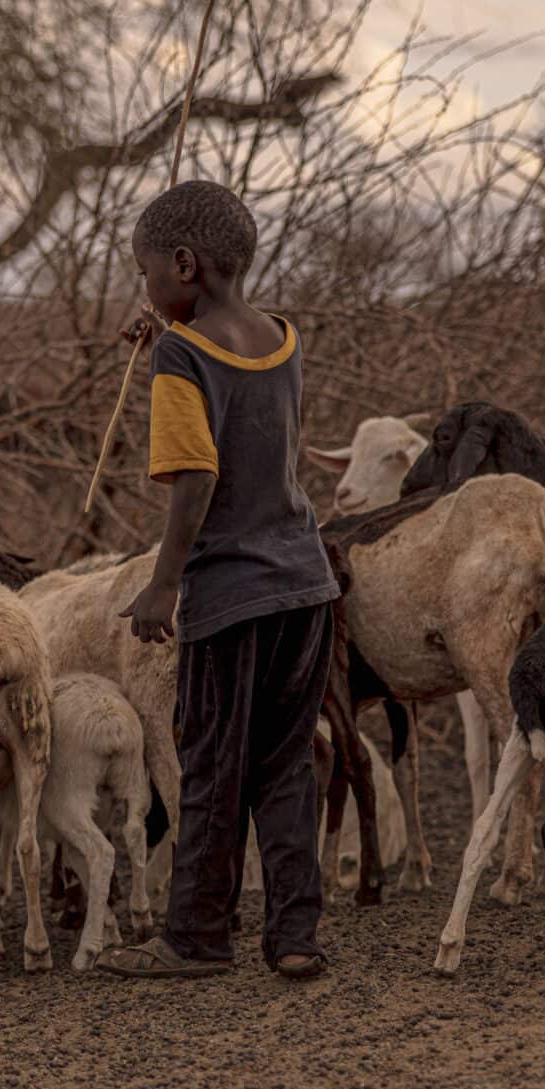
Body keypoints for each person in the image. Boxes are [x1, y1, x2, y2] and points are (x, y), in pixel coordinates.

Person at [96, 179, 339, 981]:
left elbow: (195, 475)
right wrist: (171, 319)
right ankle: (296, 937)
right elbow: (227, 367)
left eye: (145, 272)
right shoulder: (279, 335)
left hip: (229, 594)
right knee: (286, 763)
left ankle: (197, 938)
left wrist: (163, 585)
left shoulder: (179, 353)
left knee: (208, 764)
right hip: (306, 584)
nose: (143, 286)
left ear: (186, 264)